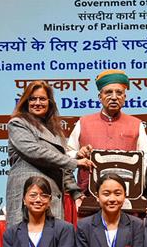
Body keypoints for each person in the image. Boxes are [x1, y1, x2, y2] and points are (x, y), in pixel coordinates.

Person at [6, 80, 92, 226]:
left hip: (51, 198)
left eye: (42, 99)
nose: (37, 103)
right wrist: (75, 162)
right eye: (33, 99)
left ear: (50, 103)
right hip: (27, 199)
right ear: (26, 102)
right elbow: (34, 151)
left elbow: (61, 164)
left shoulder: (55, 131)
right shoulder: (18, 123)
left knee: (52, 246)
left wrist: (76, 193)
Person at [67, 70, 147, 191]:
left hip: (126, 195)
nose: (114, 97)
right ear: (100, 97)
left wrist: (138, 191)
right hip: (88, 194)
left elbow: (144, 161)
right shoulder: (83, 122)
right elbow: (67, 154)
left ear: (124, 97)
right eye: (108, 92)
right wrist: (78, 154)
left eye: (119, 93)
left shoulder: (136, 124)